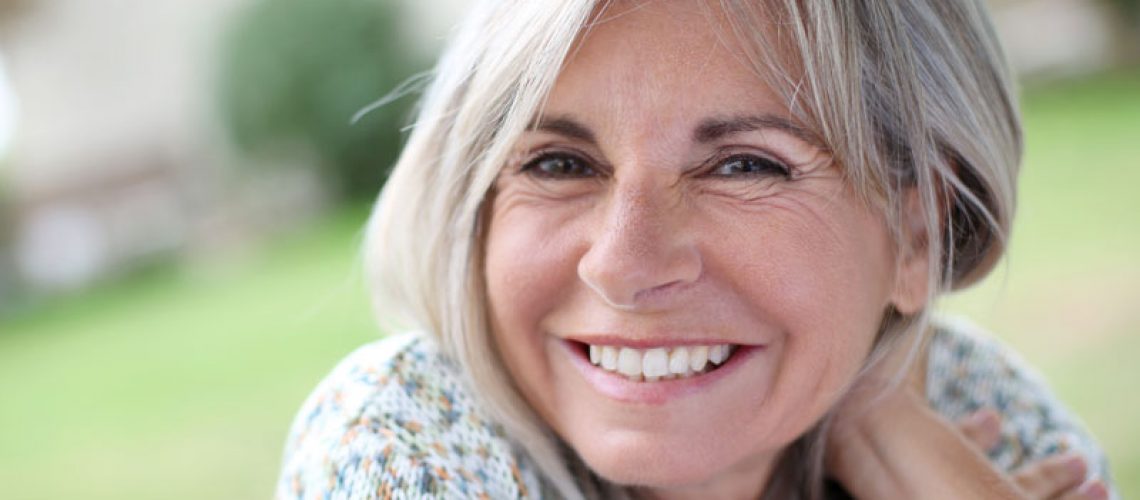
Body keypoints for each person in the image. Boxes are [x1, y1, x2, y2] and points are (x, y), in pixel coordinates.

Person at [276, 1, 1117, 498]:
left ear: (917, 232)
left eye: (745, 165)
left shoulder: (973, 407)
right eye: (560, 163)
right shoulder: (405, 430)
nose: (622, 263)